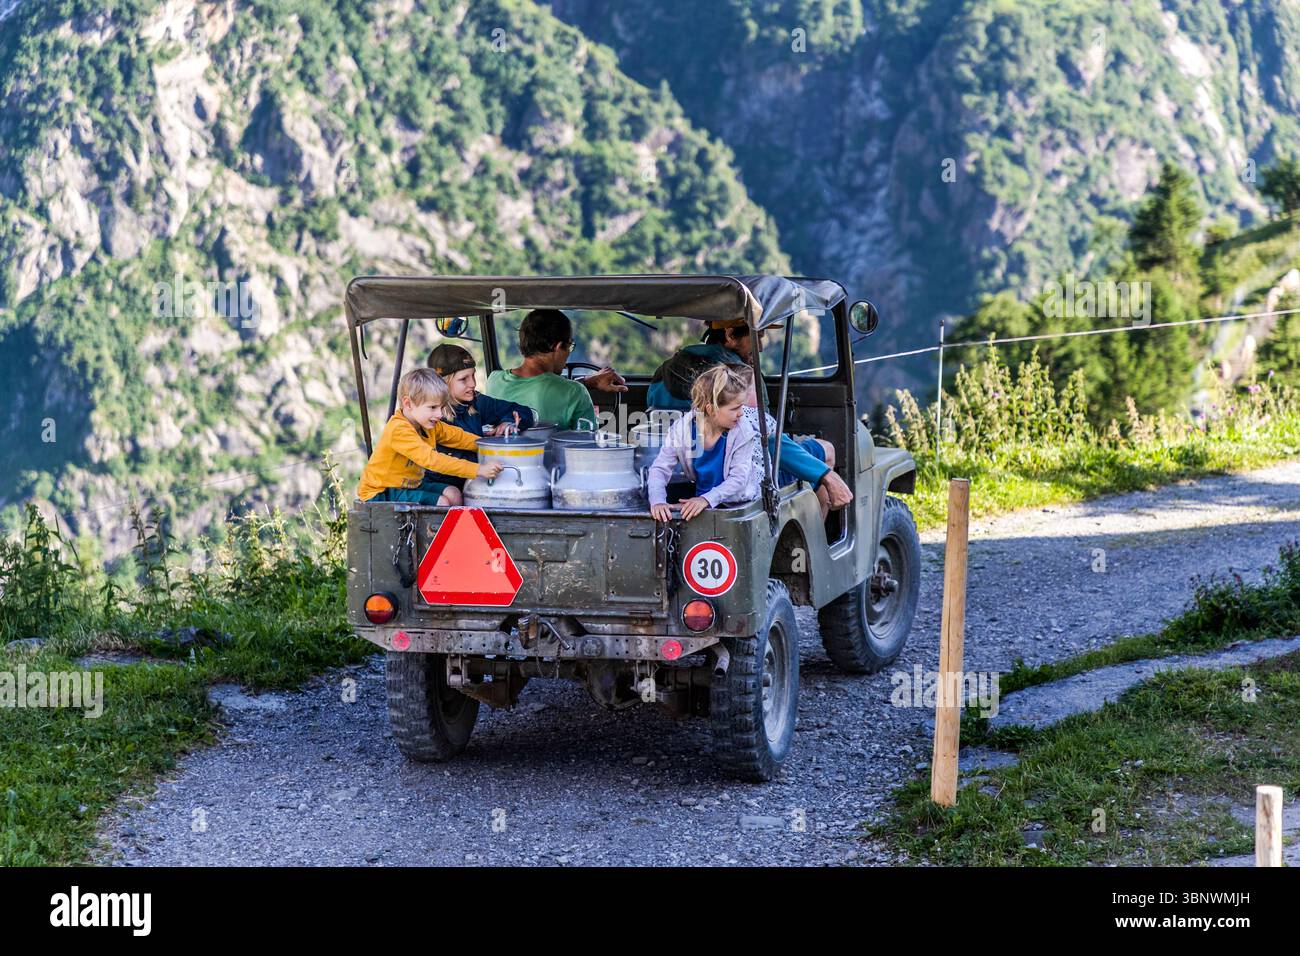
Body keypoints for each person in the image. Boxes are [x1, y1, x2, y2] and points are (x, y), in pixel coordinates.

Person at [648, 318, 853, 511]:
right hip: (744, 481)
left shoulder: (666, 371)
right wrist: (824, 474)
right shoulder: (736, 376)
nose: (760, 347)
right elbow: (765, 438)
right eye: (757, 337)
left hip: (689, 473)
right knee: (826, 451)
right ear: (730, 335)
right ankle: (817, 542)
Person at [356, 368, 502, 506]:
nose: (439, 414)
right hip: (382, 491)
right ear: (408, 404)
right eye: (433, 407)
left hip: (411, 484)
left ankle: (455, 531)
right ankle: (437, 532)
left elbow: (457, 437)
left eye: (441, 407)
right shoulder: (399, 429)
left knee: (454, 494)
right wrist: (478, 470)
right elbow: (433, 460)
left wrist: (486, 444)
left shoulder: (427, 425)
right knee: (442, 503)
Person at [648, 365, 760, 522]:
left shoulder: (742, 431)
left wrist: (706, 500)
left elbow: (738, 478)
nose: (741, 413)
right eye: (735, 408)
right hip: (702, 502)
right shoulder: (682, 430)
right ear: (711, 409)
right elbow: (659, 469)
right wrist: (658, 501)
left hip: (737, 506)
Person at [484, 308, 627, 430]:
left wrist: (588, 382)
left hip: (498, 461)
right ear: (557, 347)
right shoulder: (575, 392)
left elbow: (539, 388)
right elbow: (588, 446)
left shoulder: (494, 379)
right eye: (570, 347)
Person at [425, 343, 536, 490]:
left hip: (476, 481)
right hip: (443, 486)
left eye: (473, 375)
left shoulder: (476, 402)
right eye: (464, 379)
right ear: (444, 383)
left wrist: (508, 422)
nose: (473, 383)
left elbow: (523, 411)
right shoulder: (430, 416)